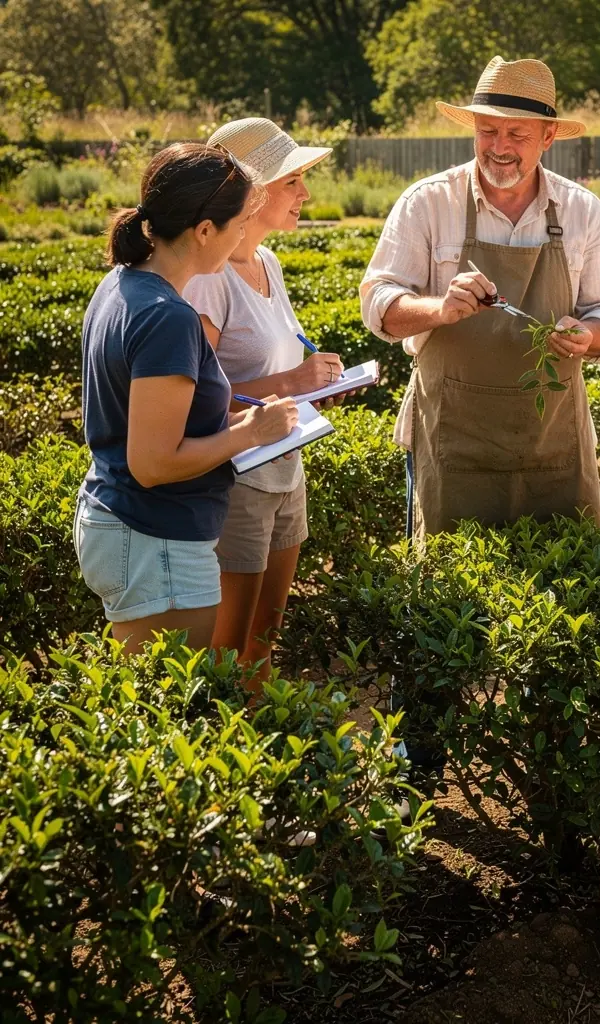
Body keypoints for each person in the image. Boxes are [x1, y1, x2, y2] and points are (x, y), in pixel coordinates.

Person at [360, 55, 600, 538]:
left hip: (551, 442)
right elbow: (379, 302)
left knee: (561, 589)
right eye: (488, 132)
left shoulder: (582, 211)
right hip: (453, 439)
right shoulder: (427, 203)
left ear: (548, 137)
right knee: (450, 600)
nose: (499, 148)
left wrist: (587, 334)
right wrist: (438, 309)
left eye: (516, 135)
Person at [75, 143, 299, 654]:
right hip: (154, 538)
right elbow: (153, 462)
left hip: (133, 529)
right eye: (241, 222)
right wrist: (252, 432)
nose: (246, 234)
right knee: (176, 716)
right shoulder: (168, 318)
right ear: (204, 231)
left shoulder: (122, 283)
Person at [184, 118, 342, 687]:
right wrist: (296, 383)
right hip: (240, 482)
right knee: (230, 649)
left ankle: (263, 765)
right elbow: (199, 401)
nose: (305, 194)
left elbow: (284, 367)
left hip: (285, 469)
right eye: (293, 181)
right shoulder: (209, 279)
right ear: (253, 193)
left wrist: (319, 380)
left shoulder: (268, 264)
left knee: (266, 635)